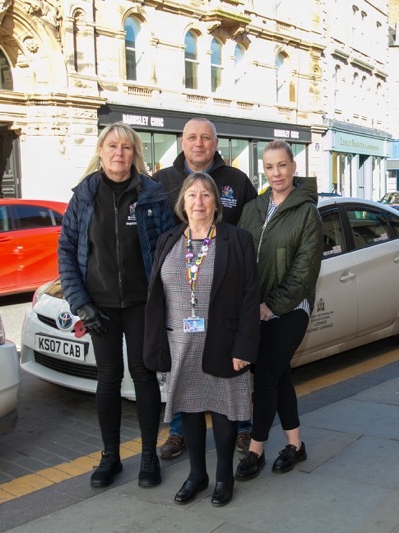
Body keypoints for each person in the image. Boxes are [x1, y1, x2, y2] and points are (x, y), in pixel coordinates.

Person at [58, 122, 175, 488]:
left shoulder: (152, 194)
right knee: (107, 379)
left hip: (142, 303)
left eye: (126, 147)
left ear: (134, 153)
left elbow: (169, 247)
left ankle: (148, 456)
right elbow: (66, 252)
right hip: (100, 306)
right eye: (112, 146)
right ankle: (110, 456)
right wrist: (81, 304)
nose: (119, 153)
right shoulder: (84, 196)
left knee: (143, 376)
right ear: (101, 151)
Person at [144, 172, 259, 506]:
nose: (198, 202)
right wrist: (157, 344)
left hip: (222, 341)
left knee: (223, 410)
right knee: (189, 409)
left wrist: (244, 347)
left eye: (206, 195)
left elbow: (251, 296)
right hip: (180, 341)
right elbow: (156, 296)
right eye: (192, 195)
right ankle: (197, 474)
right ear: (182, 202)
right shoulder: (168, 240)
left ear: (216, 202)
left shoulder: (236, 240)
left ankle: (224, 477)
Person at [154, 117, 257, 459]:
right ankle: (180, 433)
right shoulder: (162, 181)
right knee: (185, 371)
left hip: (223, 296)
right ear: (182, 142)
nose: (199, 144)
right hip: (182, 303)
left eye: (206, 138)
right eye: (192, 138)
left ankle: (243, 429)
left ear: (216, 144)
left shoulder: (237, 182)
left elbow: (251, 239)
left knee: (230, 374)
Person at [235, 140, 323, 481]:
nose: (276, 173)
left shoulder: (307, 212)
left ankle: (256, 449)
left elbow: (304, 271)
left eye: (282, 166)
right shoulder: (253, 208)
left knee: (267, 376)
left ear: (294, 167)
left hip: (290, 309)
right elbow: (241, 256)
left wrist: (271, 306)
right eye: (270, 167)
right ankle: (295, 445)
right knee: (280, 375)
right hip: (254, 309)